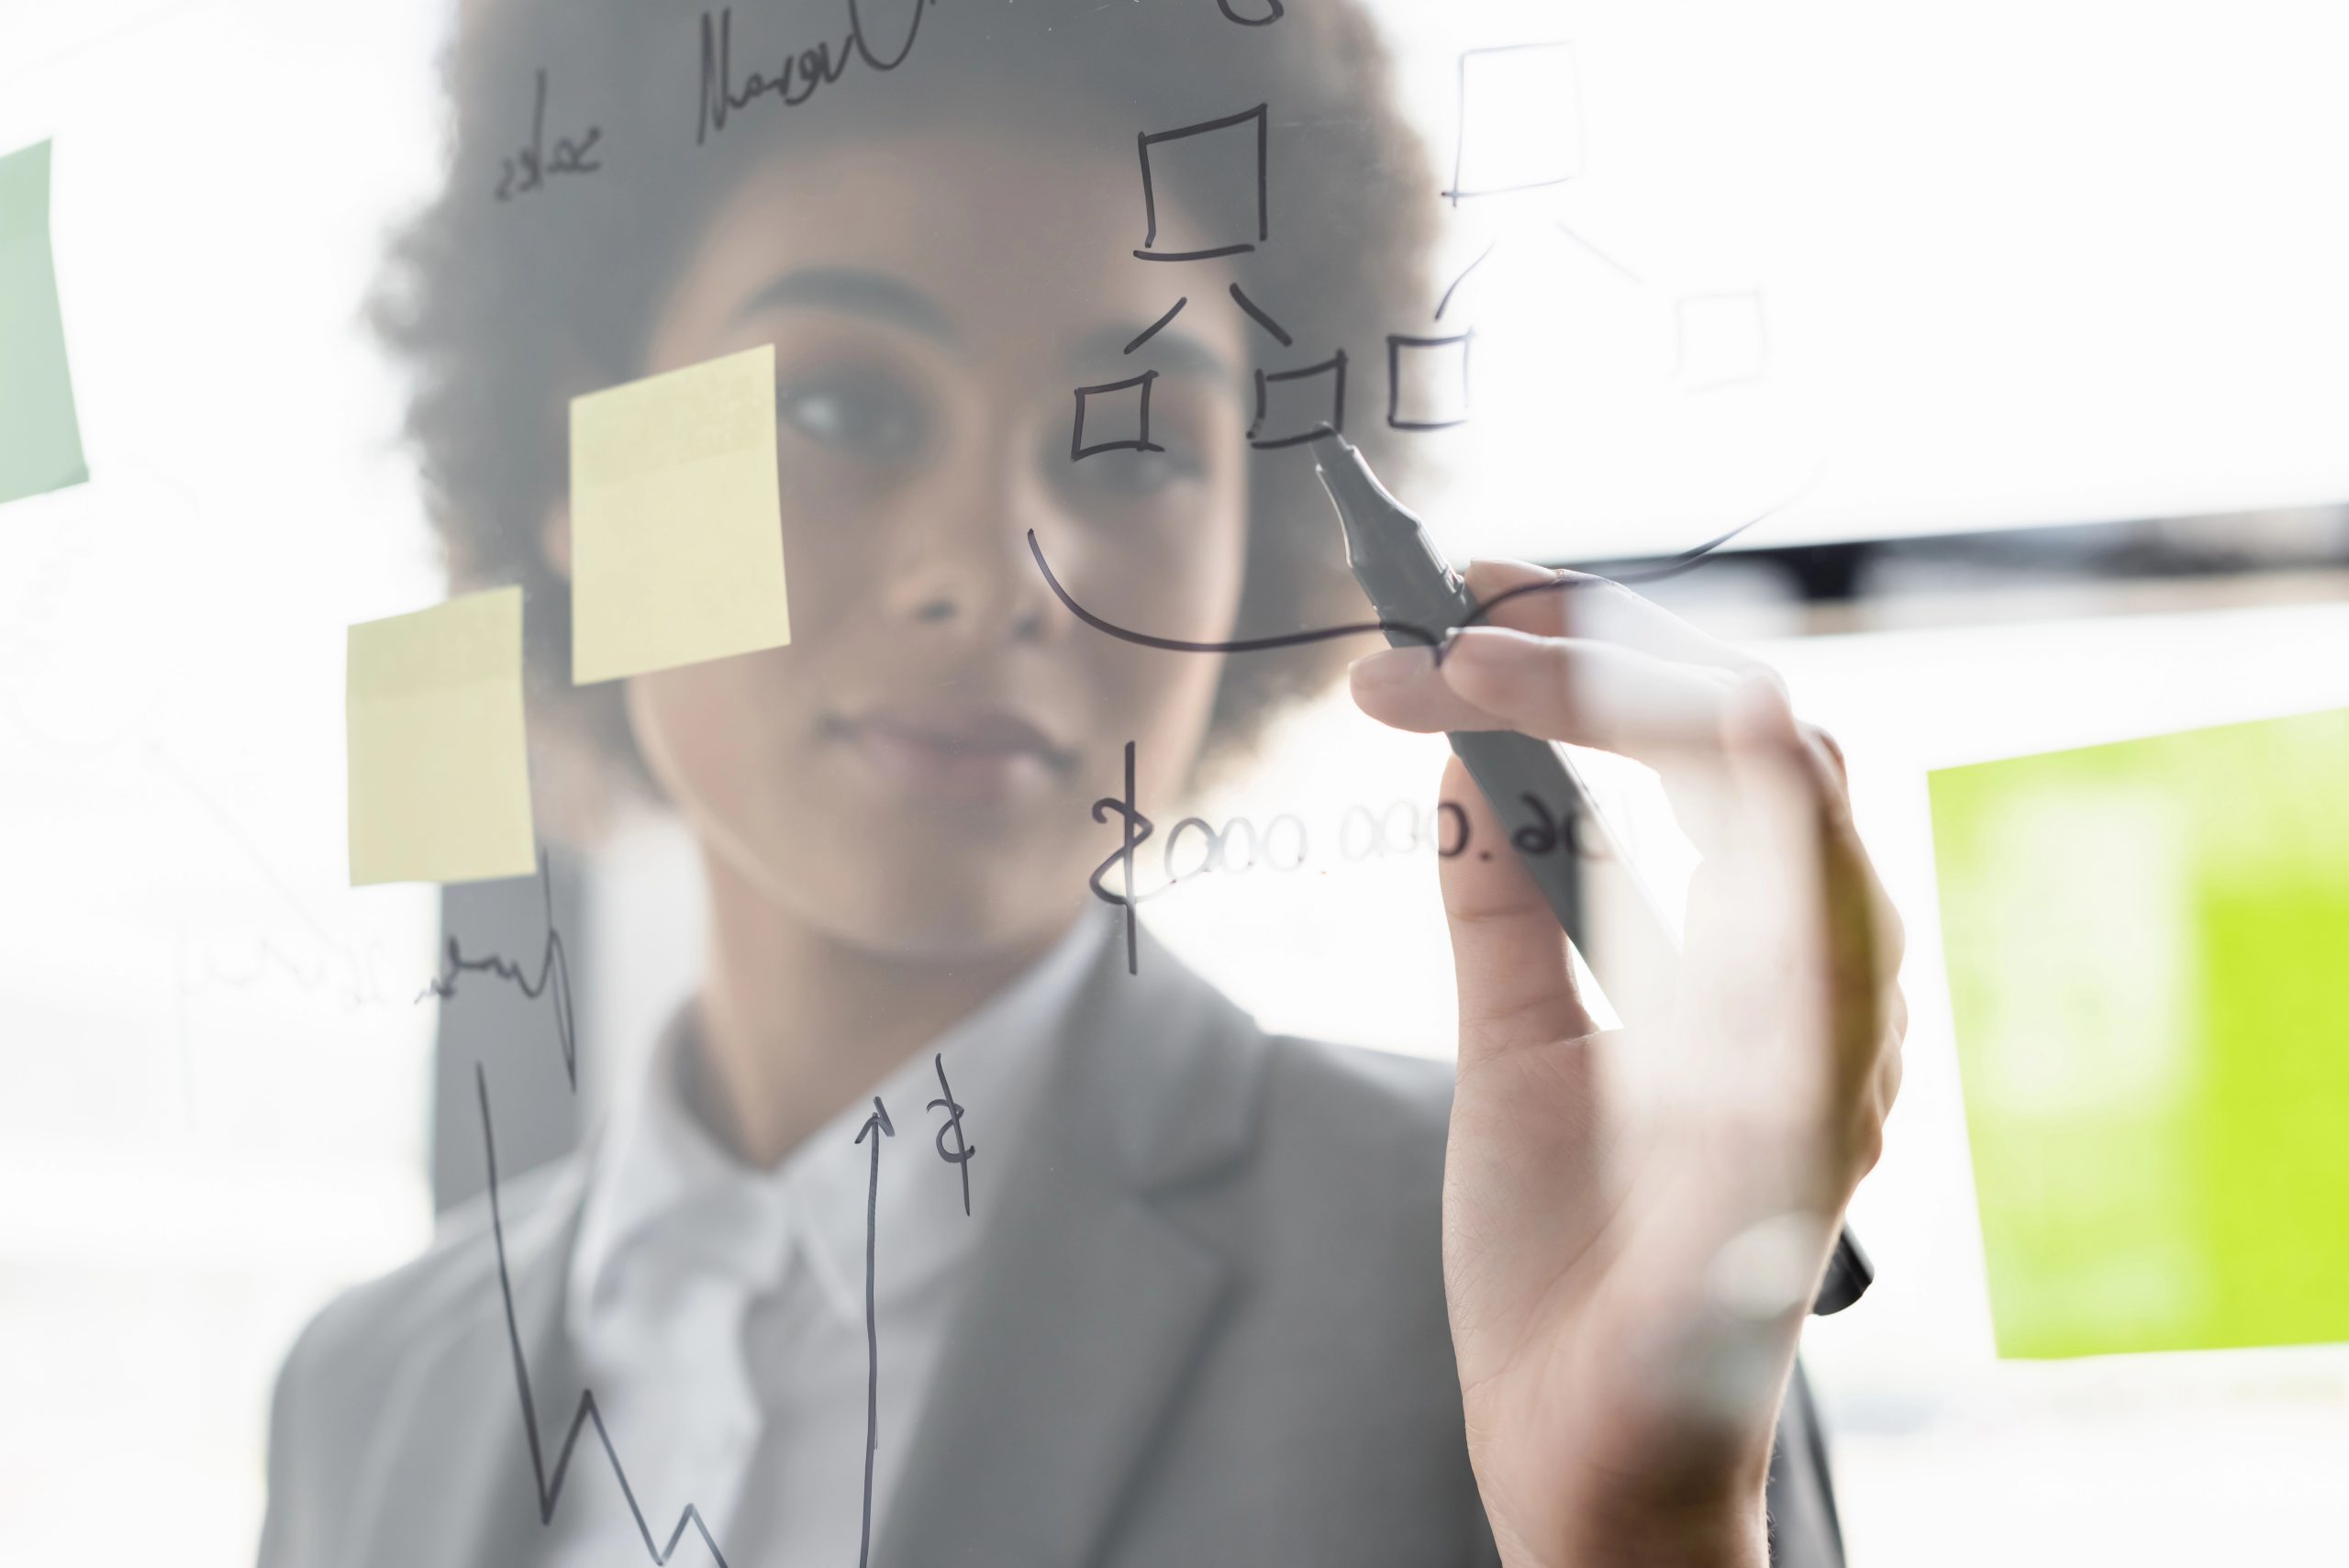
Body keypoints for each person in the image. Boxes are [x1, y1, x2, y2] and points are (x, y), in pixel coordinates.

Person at [259, 3, 1904, 1564]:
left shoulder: (1530, 1270)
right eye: (840, 405)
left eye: (1132, 443)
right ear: (574, 471)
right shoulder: (366, 1393)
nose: (997, 573)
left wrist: (1647, 1543)